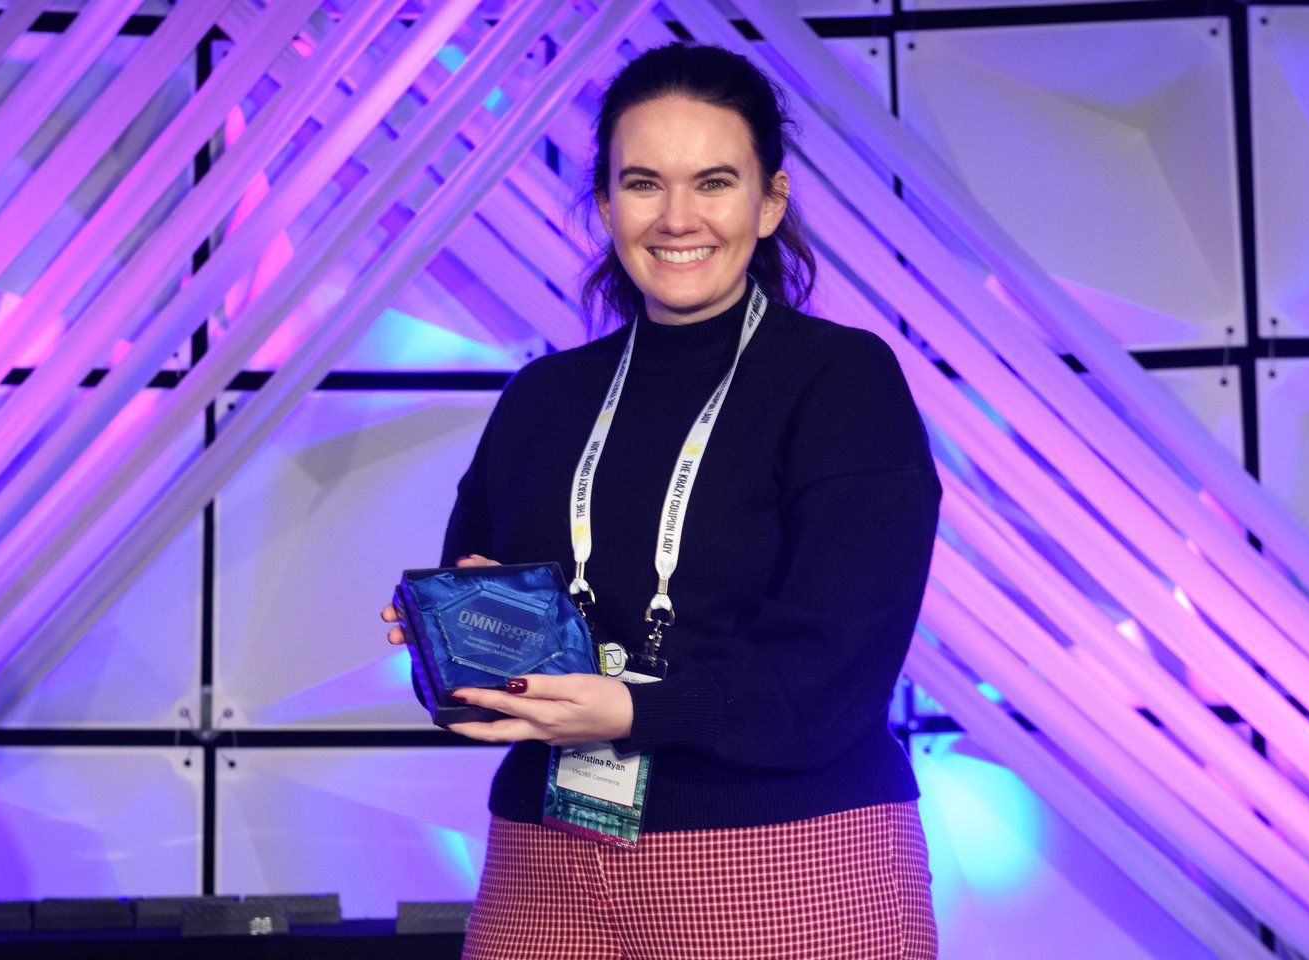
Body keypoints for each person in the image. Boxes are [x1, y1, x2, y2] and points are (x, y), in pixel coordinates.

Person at [383, 41, 940, 960]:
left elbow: (833, 669)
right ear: (604, 204)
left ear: (770, 202)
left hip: (787, 864)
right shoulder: (541, 398)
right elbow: (476, 705)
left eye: (713, 182)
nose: (677, 217)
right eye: (643, 183)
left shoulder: (842, 381)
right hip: (547, 867)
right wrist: (461, 644)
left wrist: (630, 710)